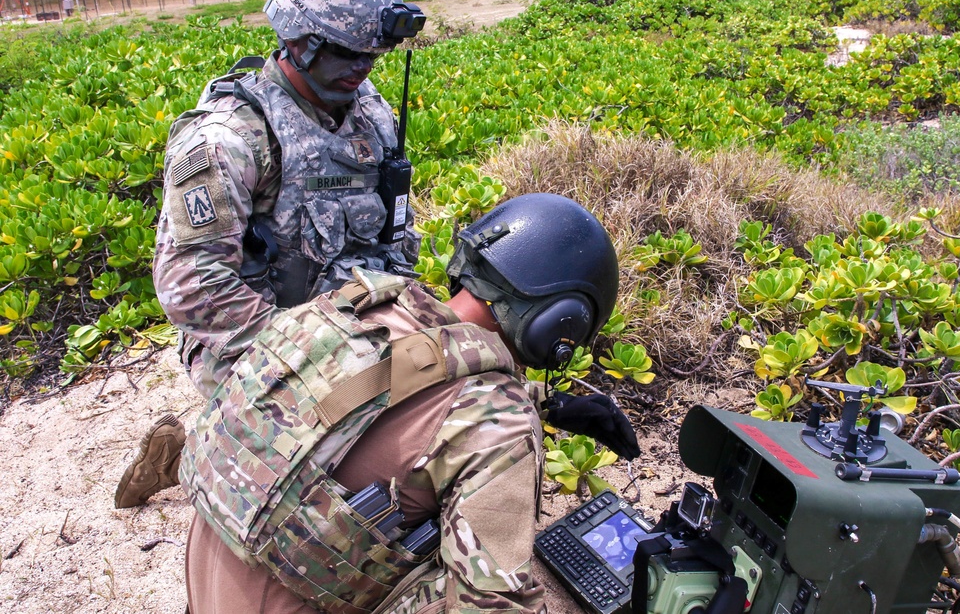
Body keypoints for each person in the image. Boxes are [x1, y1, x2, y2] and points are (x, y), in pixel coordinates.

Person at [178, 193, 641, 613]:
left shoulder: (357, 303)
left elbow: (385, 385)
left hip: (207, 582)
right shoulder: (501, 425)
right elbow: (492, 606)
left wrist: (548, 404)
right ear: (560, 323)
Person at [115, 0, 426, 509]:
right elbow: (191, 284)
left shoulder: (370, 113)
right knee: (305, 490)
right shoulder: (228, 139)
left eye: (372, 57)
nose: (362, 69)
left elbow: (396, 231)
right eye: (347, 54)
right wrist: (307, 358)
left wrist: (407, 313)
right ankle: (187, 457)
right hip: (253, 339)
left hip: (352, 322)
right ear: (300, 42)